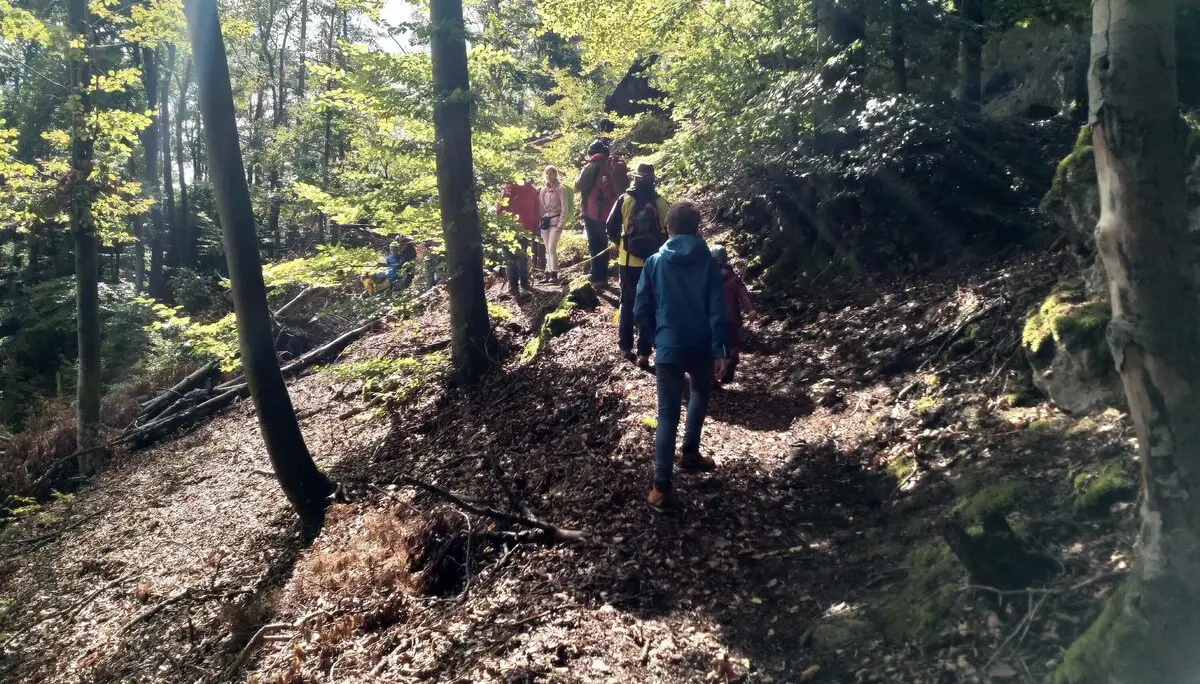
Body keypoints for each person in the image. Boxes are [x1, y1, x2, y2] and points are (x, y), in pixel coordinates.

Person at [634, 201, 729, 511]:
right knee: (700, 392)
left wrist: (655, 338)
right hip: (701, 345)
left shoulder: (654, 262)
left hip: (669, 347)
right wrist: (720, 349)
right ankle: (690, 452)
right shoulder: (708, 263)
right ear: (697, 229)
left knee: (667, 415)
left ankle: (660, 488)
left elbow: (640, 308)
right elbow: (717, 309)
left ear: (668, 228)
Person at [606, 162, 669, 367]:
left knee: (627, 303)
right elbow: (670, 233)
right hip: (653, 263)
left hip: (627, 262)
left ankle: (625, 348)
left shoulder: (624, 200)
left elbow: (610, 227)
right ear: (653, 180)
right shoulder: (662, 203)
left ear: (636, 179)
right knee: (650, 305)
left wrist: (622, 245)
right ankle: (644, 353)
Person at [573, 140, 628, 286]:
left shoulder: (593, 165)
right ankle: (603, 275)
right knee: (603, 242)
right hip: (610, 209)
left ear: (591, 153)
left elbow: (577, 186)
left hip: (593, 210)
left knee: (594, 243)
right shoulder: (611, 164)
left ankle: (598, 277)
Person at [709, 245, 755, 385]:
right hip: (731, 318)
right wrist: (750, 309)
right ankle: (729, 364)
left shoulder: (707, 277)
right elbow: (743, 294)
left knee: (713, 346)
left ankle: (713, 377)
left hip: (713, 319)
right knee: (732, 345)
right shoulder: (733, 278)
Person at [497, 180, 540, 294]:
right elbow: (537, 211)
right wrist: (534, 227)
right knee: (521, 255)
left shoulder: (509, 189)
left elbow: (500, 210)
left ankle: (514, 286)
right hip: (526, 227)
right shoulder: (532, 190)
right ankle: (524, 284)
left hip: (510, 227)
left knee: (510, 257)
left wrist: (504, 194)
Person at [538, 165, 569, 283]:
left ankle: (554, 274)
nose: (548, 176)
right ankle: (548, 273)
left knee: (552, 247)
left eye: (551, 173)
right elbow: (541, 208)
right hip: (545, 222)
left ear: (555, 174)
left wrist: (561, 224)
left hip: (556, 221)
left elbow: (565, 207)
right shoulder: (543, 190)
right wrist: (540, 221)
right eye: (546, 173)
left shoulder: (561, 189)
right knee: (547, 248)